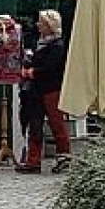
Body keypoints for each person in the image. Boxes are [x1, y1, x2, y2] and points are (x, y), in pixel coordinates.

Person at [19, 10, 70, 174]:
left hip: (51, 88)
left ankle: (64, 158)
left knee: (57, 123)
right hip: (36, 90)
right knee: (34, 123)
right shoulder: (38, 42)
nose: (37, 24)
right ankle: (33, 161)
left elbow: (52, 67)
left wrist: (32, 72)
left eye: (41, 22)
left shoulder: (58, 45)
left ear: (49, 25)